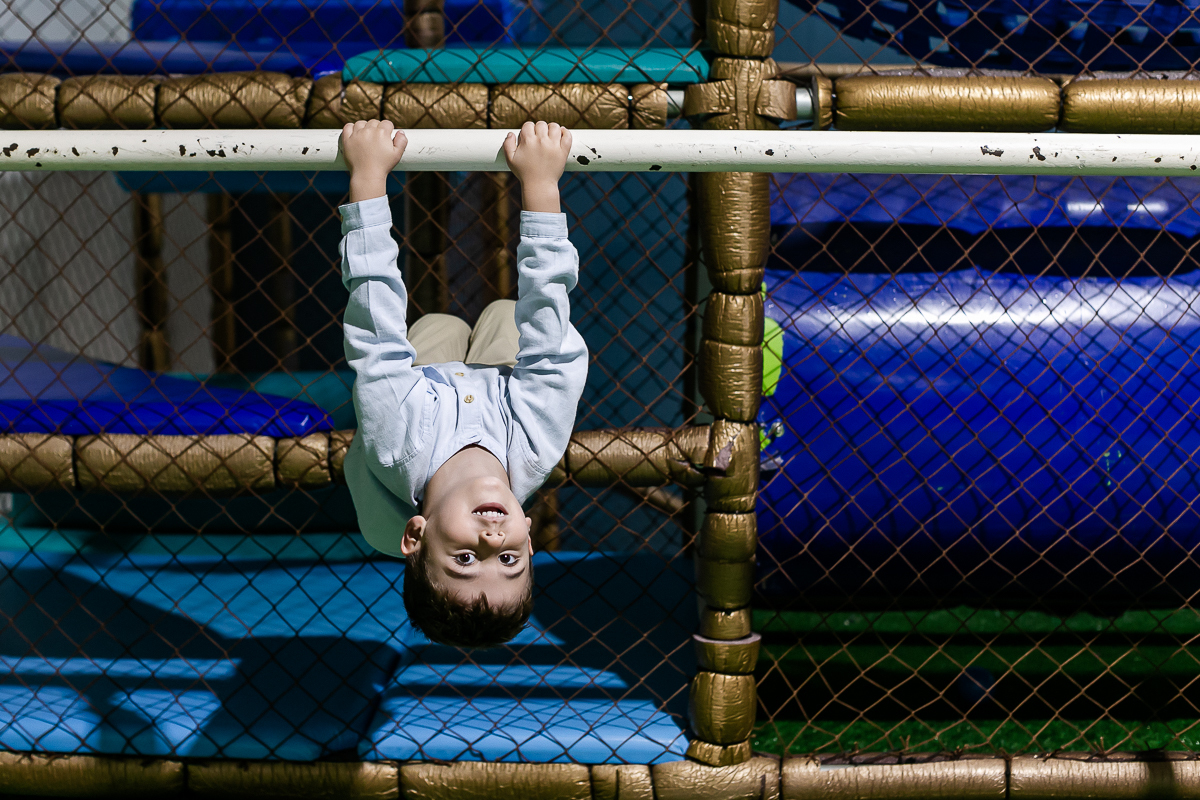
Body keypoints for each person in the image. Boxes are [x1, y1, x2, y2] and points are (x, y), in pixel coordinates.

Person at [337, 118, 588, 648]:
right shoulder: (536, 444)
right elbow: (547, 321)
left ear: (417, 534)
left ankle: (395, 513)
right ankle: (491, 331)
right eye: (510, 558)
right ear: (530, 543)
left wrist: (368, 180)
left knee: (437, 329)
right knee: (512, 314)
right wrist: (541, 186)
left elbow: (375, 318)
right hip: (503, 395)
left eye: (467, 558)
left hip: (419, 399)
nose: (493, 538)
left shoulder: (396, 439)